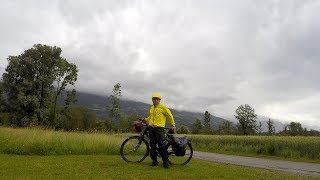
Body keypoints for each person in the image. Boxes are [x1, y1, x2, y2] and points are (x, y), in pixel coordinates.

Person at [143, 93, 176, 169]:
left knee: (162, 146)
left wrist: (173, 125)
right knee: (153, 146)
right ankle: (154, 162)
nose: (155, 100)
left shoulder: (163, 107)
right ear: (152, 100)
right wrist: (145, 120)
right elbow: (150, 117)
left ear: (159, 100)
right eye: (154, 99)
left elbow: (170, 116)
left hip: (159, 129)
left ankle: (166, 162)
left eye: (157, 99)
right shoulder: (151, 108)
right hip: (151, 128)